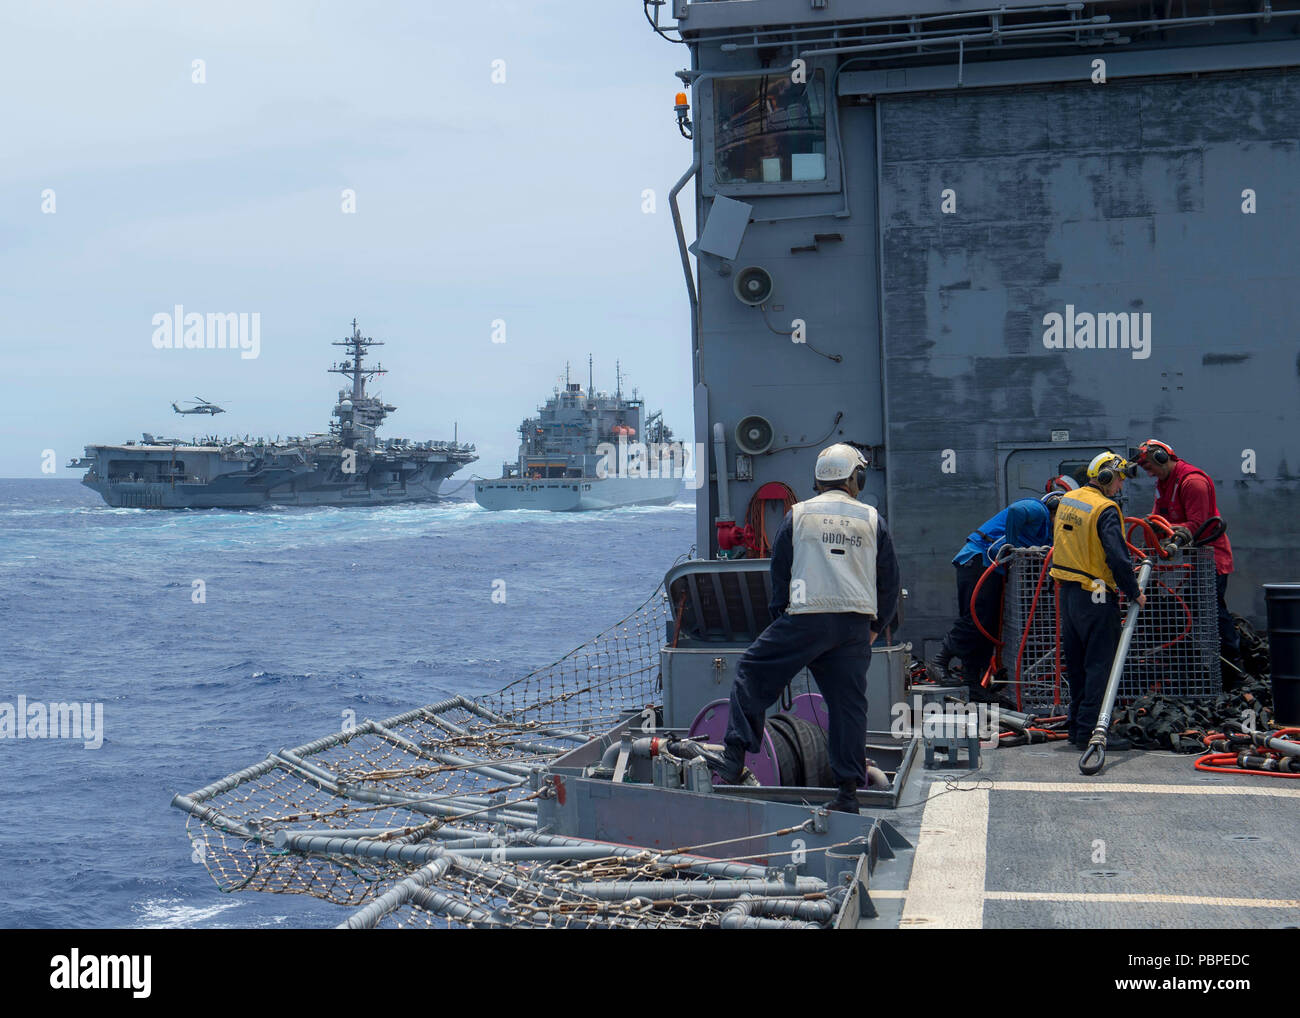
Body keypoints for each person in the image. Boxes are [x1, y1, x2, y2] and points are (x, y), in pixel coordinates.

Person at [716, 444, 901, 813]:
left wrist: (780, 623)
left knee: (752, 671)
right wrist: (875, 626)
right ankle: (847, 794)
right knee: (849, 709)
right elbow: (889, 581)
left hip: (806, 619)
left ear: (818, 480)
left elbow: (780, 574)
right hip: (853, 626)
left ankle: (735, 757)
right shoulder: (871, 518)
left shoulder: (797, 516)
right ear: (855, 479)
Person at [931, 476, 1076, 699]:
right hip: (978, 560)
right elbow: (1017, 512)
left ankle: (973, 682)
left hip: (992, 567)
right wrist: (1014, 546)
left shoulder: (1047, 531)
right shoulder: (1037, 509)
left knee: (988, 626)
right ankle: (939, 661)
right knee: (977, 618)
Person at [1050, 452, 1146, 748]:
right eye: (1118, 480)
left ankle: (1076, 728)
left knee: (1077, 667)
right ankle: (1091, 732)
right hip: (1097, 594)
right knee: (1099, 667)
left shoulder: (1070, 499)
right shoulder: (1105, 508)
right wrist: (1134, 591)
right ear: (1105, 477)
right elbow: (1118, 557)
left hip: (1068, 595)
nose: (1119, 487)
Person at [1132, 438, 1240, 677]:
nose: (1149, 474)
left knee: (1212, 614)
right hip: (1190, 562)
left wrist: (1166, 530)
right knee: (1186, 614)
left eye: (1149, 467)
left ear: (1162, 457)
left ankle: (1233, 671)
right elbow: (1159, 515)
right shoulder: (1164, 481)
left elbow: (1197, 525)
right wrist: (1152, 528)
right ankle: (1189, 670)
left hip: (1209, 560)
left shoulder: (1193, 482)